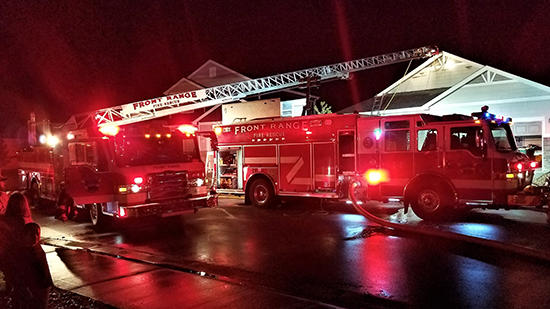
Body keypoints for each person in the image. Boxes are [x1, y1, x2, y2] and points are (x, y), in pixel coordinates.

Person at [10, 222, 53, 309]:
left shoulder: (35, 248)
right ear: (24, 235)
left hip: (42, 285)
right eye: (31, 234)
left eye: (37, 234)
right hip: (33, 286)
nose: (35, 237)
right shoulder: (23, 251)